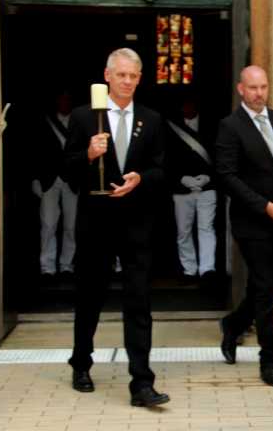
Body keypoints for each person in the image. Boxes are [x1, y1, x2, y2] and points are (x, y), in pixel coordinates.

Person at [64, 48, 169, 407]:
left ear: (140, 79)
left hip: (137, 224)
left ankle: (142, 382)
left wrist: (141, 179)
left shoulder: (151, 120)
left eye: (133, 76)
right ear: (107, 76)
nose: (127, 81)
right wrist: (88, 155)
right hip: (95, 222)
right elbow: (67, 170)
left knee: (139, 300)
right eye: (121, 75)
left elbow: (162, 170)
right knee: (89, 296)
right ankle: (81, 364)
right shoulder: (83, 118)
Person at [215, 65, 273, 388]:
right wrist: (264, 206)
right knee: (265, 288)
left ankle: (234, 324)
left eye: (263, 87)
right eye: (252, 88)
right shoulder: (230, 126)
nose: (259, 93)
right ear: (241, 89)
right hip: (251, 221)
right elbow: (226, 176)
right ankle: (270, 363)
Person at [165, 96, 217, 284]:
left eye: (190, 104)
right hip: (181, 189)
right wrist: (181, 179)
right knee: (183, 231)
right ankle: (189, 270)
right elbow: (165, 157)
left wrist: (209, 176)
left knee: (206, 228)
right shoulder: (170, 127)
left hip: (207, 187)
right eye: (184, 105)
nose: (187, 108)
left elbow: (221, 154)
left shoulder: (212, 125)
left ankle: (207, 270)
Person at [32, 91, 77, 282]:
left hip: (72, 180)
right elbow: (35, 150)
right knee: (48, 224)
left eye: (67, 99)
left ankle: (67, 265)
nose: (64, 102)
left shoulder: (79, 122)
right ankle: (47, 267)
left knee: (71, 226)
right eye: (62, 99)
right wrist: (35, 178)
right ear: (57, 101)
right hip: (49, 179)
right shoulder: (44, 122)